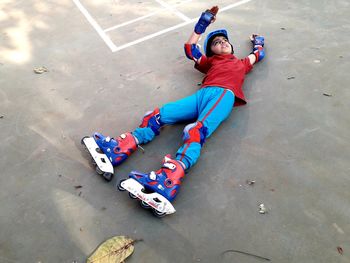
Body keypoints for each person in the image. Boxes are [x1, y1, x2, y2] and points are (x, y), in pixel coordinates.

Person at [92, 6, 265, 209]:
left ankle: (168, 181)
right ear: (212, 51)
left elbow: (257, 54)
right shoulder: (209, 62)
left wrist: (258, 43)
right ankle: (119, 149)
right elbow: (191, 49)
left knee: (195, 131)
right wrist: (202, 25)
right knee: (156, 116)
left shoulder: (241, 63)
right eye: (217, 43)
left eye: (225, 41)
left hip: (224, 94)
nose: (223, 43)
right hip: (203, 94)